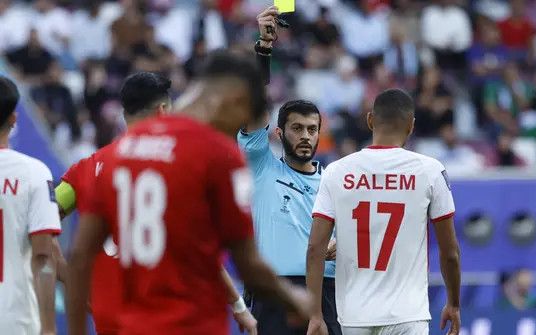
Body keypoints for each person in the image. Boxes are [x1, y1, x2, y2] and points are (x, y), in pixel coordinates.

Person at [65, 50, 311, 335]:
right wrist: (295, 299)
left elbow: (80, 255)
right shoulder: (217, 154)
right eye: (244, 116)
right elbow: (250, 266)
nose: (237, 127)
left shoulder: (118, 153)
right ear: (236, 99)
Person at [56, 71, 257, 334]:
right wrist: (238, 305)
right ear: (163, 110)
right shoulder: (173, 169)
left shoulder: (87, 168)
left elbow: (40, 223)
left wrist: (72, 284)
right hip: (171, 317)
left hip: (111, 318)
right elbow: (198, 248)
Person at [305, 89, 461, 335]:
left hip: (355, 315)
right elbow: (450, 252)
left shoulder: (336, 172)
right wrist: (453, 303)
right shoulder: (430, 171)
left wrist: (314, 315)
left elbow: (315, 249)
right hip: (408, 315)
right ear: (411, 125)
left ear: (369, 120)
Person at [237, 6, 341, 335]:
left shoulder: (334, 182)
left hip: (327, 294)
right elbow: (253, 107)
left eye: (312, 129)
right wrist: (263, 50)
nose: (306, 136)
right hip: (275, 295)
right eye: (297, 128)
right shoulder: (262, 167)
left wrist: (344, 243)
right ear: (279, 134)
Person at [0, 76, 60, 334]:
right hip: (15, 320)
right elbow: (43, 255)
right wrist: (49, 328)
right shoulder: (34, 173)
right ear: (14, 118)